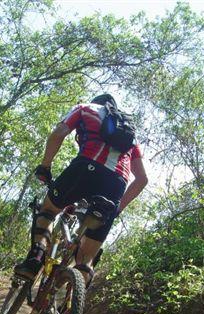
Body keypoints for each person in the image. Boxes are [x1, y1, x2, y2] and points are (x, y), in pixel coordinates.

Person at [14, 93, 148, 285]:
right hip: (117, 184)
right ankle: (69, 309)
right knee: (86, 259)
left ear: (97, 102)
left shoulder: (85, 108)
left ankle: (34, 260)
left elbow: (58, 133)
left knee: (49, 210)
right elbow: (142, 179)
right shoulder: (130, 133)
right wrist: (117, 209)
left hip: (85, 169)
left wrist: (45, 166)